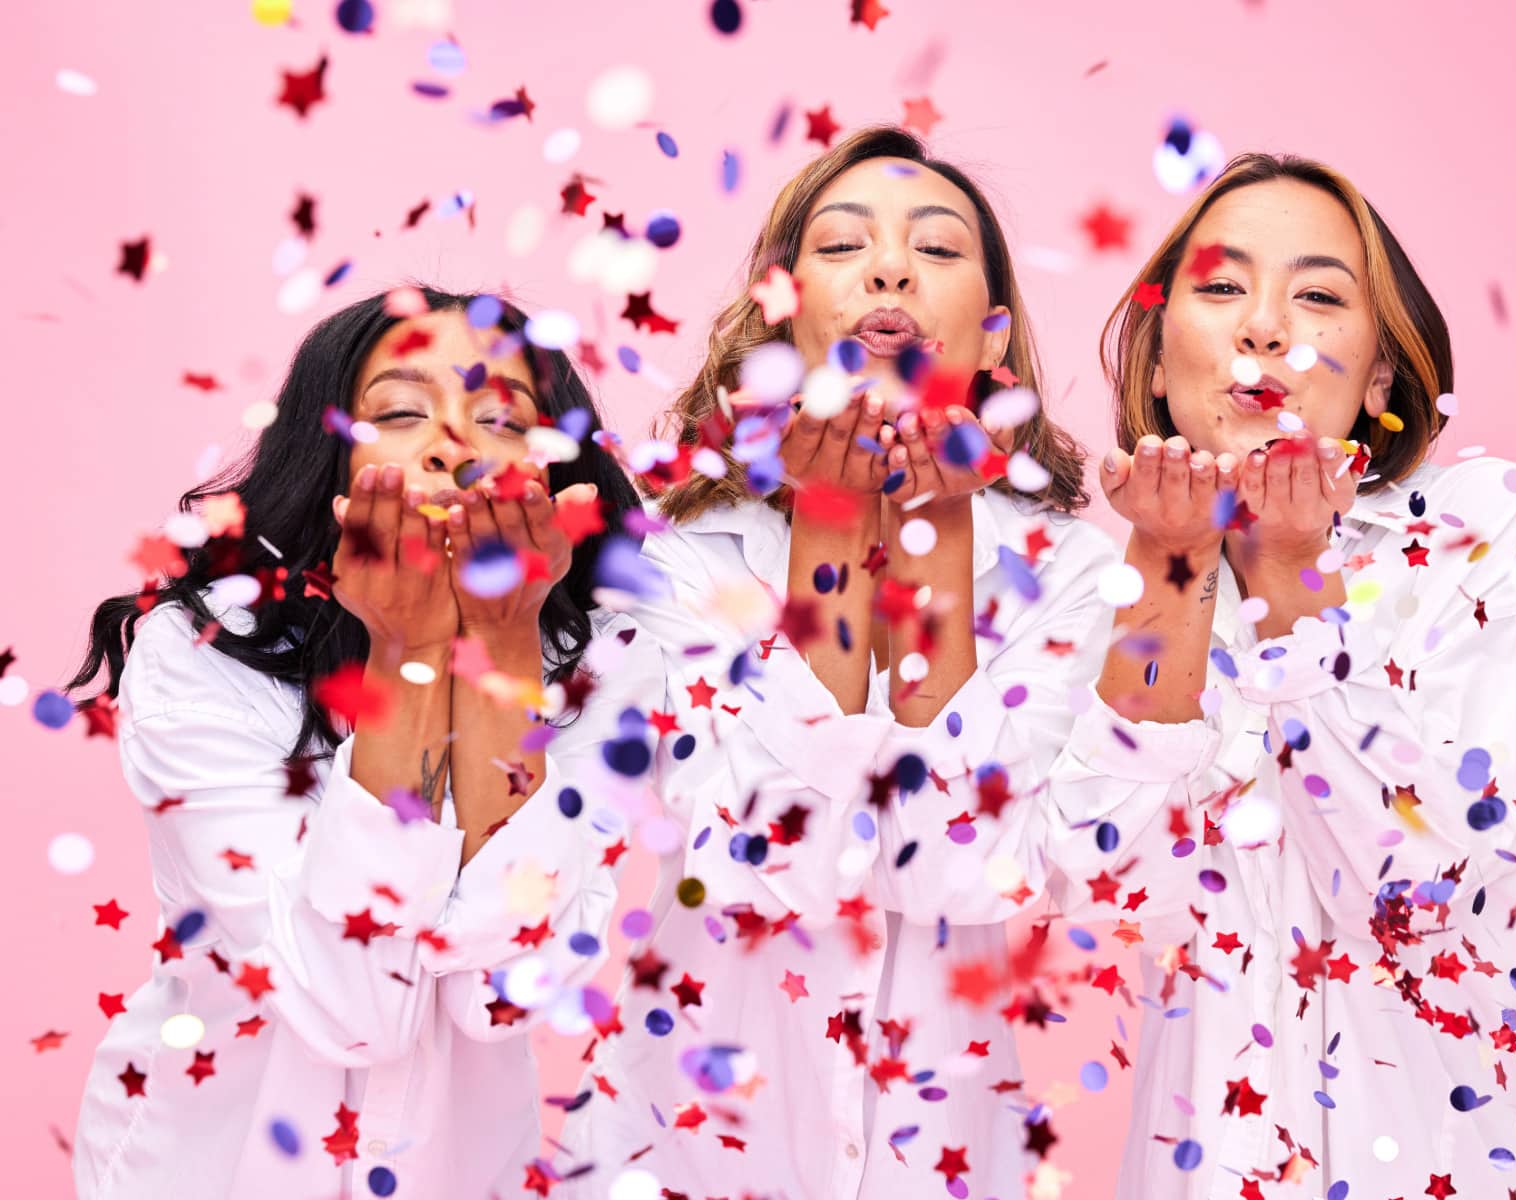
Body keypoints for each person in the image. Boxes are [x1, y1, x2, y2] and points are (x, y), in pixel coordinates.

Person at [560, 125, 1123, 1199]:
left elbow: (963, 869)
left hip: (949, 1145)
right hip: (688, 1138)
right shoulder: (678, 567)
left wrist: (936, 543)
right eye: (843, 244)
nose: (891, 268)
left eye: (938, 248)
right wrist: (828, 525)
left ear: (993, 337)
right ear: (780, 310)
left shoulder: (1070, 576)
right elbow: (787, 866)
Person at [1080, 153, 1516, 1198]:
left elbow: (1421, 896)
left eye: (1316, 295)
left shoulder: (1486, 533)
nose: (1264, 327)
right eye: (1222, 288)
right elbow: (1113, 894)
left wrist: (1287, 574)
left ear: (1378, 376)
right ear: (1154, 360)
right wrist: (1171, 569)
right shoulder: (1114, 589)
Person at [69, 287, 656, 1199]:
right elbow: (350, 1012)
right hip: (211, 1167)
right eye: (402, 410)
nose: (453, 444)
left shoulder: (609, 666)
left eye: (501, 415)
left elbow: (507, 995)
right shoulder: (201, 650)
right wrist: (409, 652)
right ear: (330, 453)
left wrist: (501, 648)